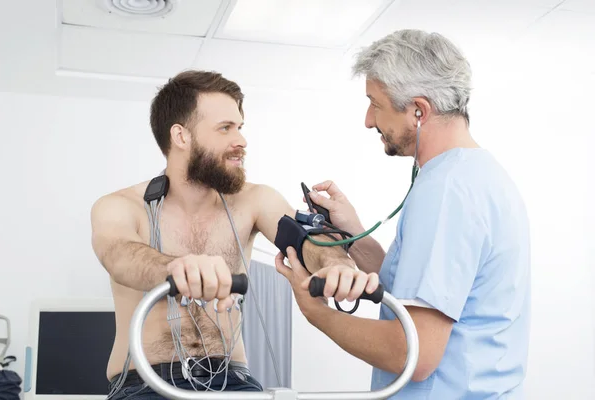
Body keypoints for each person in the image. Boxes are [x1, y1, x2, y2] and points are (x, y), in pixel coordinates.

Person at [276, 29, 531, 399]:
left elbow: (415, 351)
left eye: (375, 104)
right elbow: (412, 288)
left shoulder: (448, 192)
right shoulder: (474, 175)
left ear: (419, 110)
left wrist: (317, 313)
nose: (367, 120)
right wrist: (354, 232)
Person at [90, 70, 365, 399]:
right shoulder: (120, 206)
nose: (242, 142)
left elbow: (310, 243)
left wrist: (337, 265)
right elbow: (120, 255)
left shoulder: (254, 200)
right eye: (225, 129)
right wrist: (176, 269)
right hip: (145, 383)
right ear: (181, 136)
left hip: (231, 380)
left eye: (240, 127)